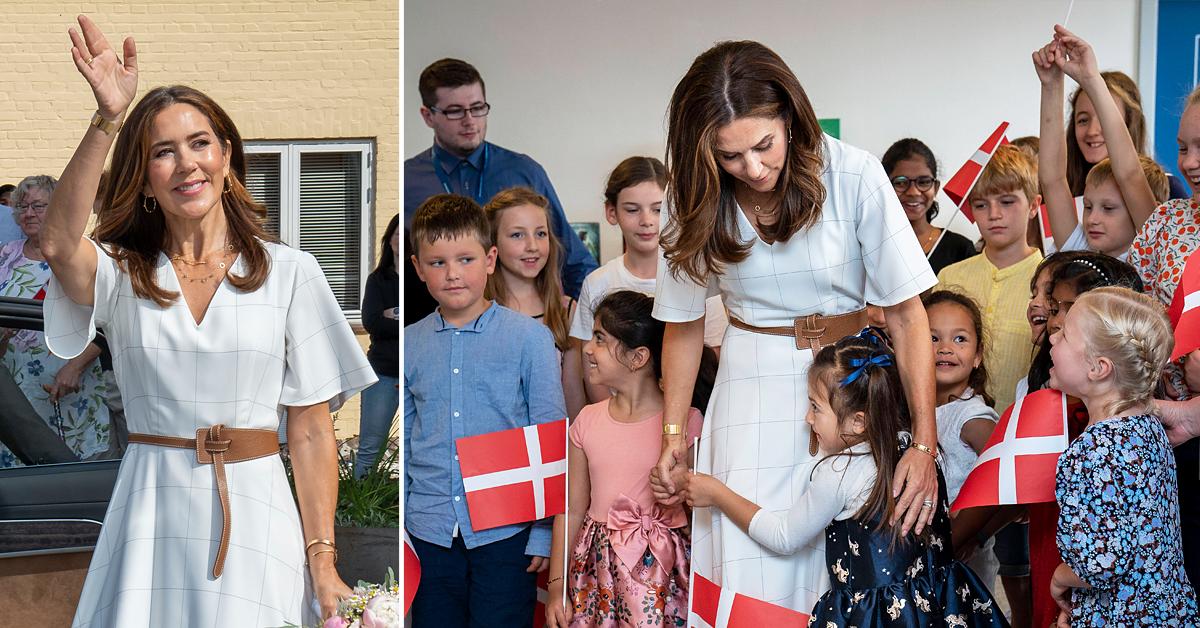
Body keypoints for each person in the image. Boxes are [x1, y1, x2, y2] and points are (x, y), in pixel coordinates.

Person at [42, 17, 375, 625]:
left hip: (256, 504)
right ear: (144, 181)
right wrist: (108, 119)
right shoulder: (122, 272)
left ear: (226, 157)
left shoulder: (291, 272)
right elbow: (60, 244)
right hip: (151, 509)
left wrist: (323, 560)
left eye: (199, 143)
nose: (185, 164)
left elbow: (309, 430)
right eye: (162, 152)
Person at [649, 41, 939, 614]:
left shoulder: (854, 173)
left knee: (840, 561)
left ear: (790, 116)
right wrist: (674, 436)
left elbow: (907, 316)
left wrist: (924, 444)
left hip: (847, 385)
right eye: (729, 157)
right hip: (748, 385)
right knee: (747, 560)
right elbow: (681, 326)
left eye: (764, 145)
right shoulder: (692, 192)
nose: (752, 169)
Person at [681, 332, 1007, 626]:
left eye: (815, 407)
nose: (808, 418)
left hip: (876, 616)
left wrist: (717, 493)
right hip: (940, 600)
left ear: (857, 422)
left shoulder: (838, 472)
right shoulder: (912, 451)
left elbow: (784, 536)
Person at [405, 193, 565, 628]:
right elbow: (405, 440)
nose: (453, 274)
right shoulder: (409, 343)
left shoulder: (530, 339)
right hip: (430, 531)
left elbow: (548, 436)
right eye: (437, 263)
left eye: (466, 259)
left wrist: (545, 530)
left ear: (490, 259)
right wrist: (404, 521)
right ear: (418, 268)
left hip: (506, 532)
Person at [545, 290, 713, 628]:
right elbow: (572, 509)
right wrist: (556, 586)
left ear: (637, 357)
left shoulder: (687, 423)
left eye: (600, 339)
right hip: (597, 572)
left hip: (669, 572)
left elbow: (702, 512)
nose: (588, 349)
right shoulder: (586, 422)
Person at [403, 58, 597, 324]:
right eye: (455, 111)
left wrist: (576, 326)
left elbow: (573, 260)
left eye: (478, 108)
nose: (470, 121)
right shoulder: (407, 181)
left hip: (526, 323)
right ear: (428, 116)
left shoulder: (524, 172)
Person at [1047, 287, 1198, 624]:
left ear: (1099, 368)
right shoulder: (1148, 427)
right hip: (1166, 612)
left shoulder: (1092, 451)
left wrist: (1060, 576)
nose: (1054, 338)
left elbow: (1103, 564)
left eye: (1066, 334)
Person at [566, 157, 727, 415]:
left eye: (658, 209)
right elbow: (590, 366)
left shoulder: (699, 278)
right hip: (617, 422)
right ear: (611, 212)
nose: (647, 220)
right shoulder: (598, 282)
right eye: (632, 209)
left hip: (685, 417)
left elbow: (713, 362)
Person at [0, 175, 112, 469]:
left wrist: (74, 367)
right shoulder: (5, 257)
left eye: (38, 205)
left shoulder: (81, 255)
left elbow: (107, 320)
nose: (28, 213)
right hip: (16, 390)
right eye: (22, 206)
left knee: (74, 474)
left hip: (69, 386)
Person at [1035, 26, 1168, 262]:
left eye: (1108, 208)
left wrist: (1090, 78)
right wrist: (1051, 84)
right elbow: (1053, 179)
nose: (1092, 219)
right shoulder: (1080, 247)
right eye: (1087, 207)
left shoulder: (1149, 251)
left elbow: (1129, 175)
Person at [937, 144, 1043, 416]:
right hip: (950, 428)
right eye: (981, 205)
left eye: (1007, 202)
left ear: (1033, 205)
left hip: (1022, 431)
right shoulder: (950, 277)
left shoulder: (1048, 280)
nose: (994, 214)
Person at [922, 291, 1000, 587]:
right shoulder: (913, 410)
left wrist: (975, 536)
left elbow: (1006, 483)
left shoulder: (972, 418)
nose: (945, 349)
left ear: (978, 355)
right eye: (932, 338)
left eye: (959, 339)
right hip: (920, 556)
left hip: (963, 562)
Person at [483, 187, 573, 351]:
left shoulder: (566, 310)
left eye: (540, 234)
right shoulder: (475, 310)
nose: (532, 246)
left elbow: (572, 377)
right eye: (517, 235)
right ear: (493, 242)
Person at [881, 139, 977, 274]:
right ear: (884, 187)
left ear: (936, 187)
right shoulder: (870, 247)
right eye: (901, 182)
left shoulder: (960, 248)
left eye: (924, 182)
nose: (913, 192)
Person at [354, 213, 399, 478]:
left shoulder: (420, 281)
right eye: (396, 235)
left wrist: (394, 313)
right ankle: (360, 507)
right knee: (371, 448)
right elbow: (372, 323)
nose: (401, 241)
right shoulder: (378, 280)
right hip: (382, 372)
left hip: (414, 375)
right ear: (389, 240)